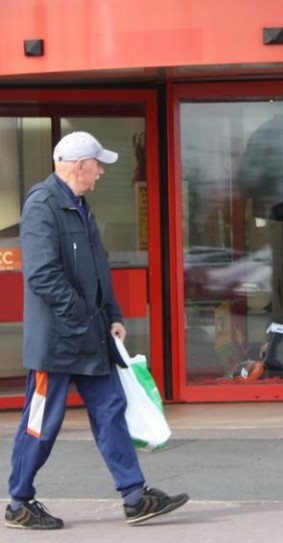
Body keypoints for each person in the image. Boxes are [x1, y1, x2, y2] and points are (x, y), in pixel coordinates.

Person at [5, 132, 189, 530]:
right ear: (78, 165)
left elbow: (98, 270)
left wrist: (113, 314)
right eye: (97, 164)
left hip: (91, 336)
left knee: (110, 411)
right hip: (56, 342)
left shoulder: (80, 206)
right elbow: (42, 276)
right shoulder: (43, 205)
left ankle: (135, 497)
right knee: (42, 422)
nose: (102, 172)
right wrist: (81, 316)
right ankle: (18, 502)